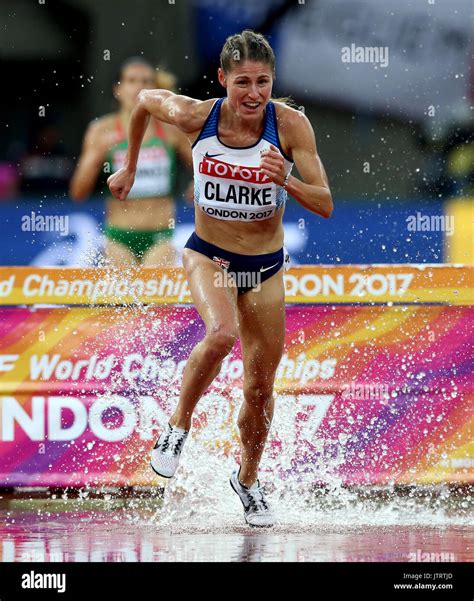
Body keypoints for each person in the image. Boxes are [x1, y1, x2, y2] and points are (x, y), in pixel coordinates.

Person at [108, 30, 333, 527]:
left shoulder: (291, 126)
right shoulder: (197, 116)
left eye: (263, 83)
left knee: (259, 388)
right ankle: (177, 428)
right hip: (208, 254)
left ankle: (248, 481)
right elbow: (144, 102)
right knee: (221, 334)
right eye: (243, 83)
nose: (253, 94)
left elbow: (326, 204)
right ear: (222, 80)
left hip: (266, 267)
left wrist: (286, 180)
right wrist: (127, 169)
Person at [70, 57, 192, 267]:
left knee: (153, 297)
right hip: (118, 237)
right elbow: (78, 193)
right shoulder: (101, 130)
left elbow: (205, 169)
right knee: (121, 300)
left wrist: (197, 187)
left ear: (155, 89)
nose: (139, 87)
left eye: (146, 81)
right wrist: (96, 156)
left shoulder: (171, 130)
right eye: (132, 80)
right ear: (118, 89)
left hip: (160, 236)